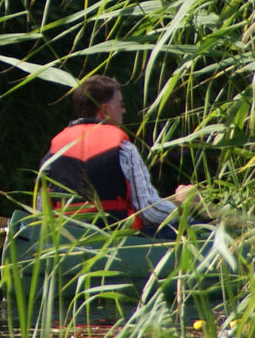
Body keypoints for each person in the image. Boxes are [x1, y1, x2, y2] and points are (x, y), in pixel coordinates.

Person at [38, 75, 196, 237]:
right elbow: (148, 212)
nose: (123, 110)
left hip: (67, 240)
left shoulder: (52, 155)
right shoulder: (123, 149)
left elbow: (41, 212)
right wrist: (183, 208)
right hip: (117, 237)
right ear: (105, 110)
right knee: (195, 228)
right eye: (120, 105)